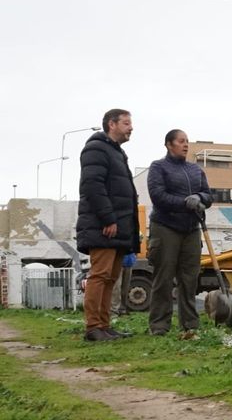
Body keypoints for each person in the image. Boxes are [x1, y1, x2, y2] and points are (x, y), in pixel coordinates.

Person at [76, 109, 140, 342]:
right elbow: (93, 186)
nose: (131, 128)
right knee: (100, 275)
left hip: (118, 227)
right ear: (111, 124)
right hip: (104, 226)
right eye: (126, 123)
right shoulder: (96, 148)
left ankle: (104, 325)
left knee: (111, 278)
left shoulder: (116, 152)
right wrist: (108, 219)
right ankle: (93, 327)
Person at [147, 129, 212, 338]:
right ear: (168, 144)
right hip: (165, 227)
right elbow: (158, 197)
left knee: (189, 279)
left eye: (187, 141)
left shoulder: (195, 170)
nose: (186, 145)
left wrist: (200, 197)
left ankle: (190, 324)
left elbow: (208, 196)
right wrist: (185, 203)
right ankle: (159, 325)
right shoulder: (158, 167)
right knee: (163, 278)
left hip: (191, 230)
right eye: (181, 141)